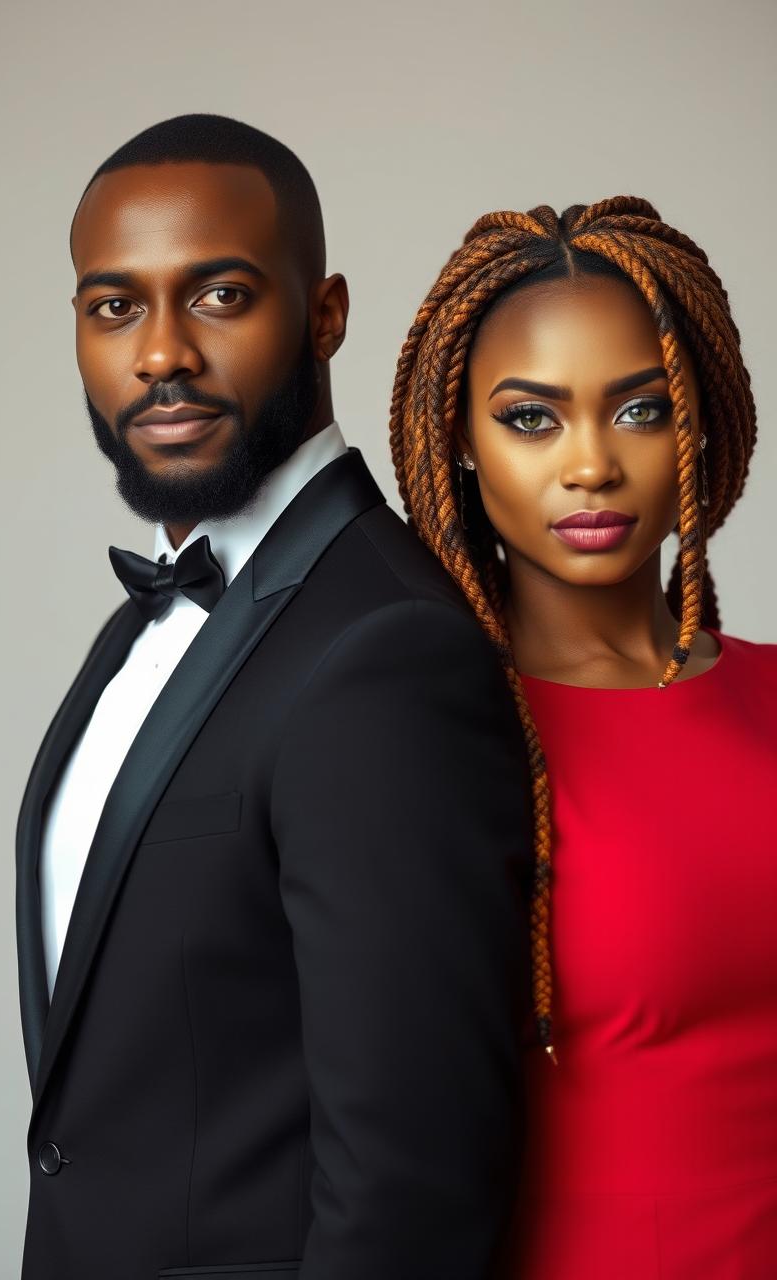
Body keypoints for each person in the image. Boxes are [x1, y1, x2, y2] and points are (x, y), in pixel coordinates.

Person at [14, 114, 533, 1280]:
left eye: (218, 296)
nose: (159, 353)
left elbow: (410, 1190)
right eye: (114, 306)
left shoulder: (385, 648)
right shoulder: (141, 627)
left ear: (325, 313)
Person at [388, 196, 777, 1278]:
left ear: (698, 421)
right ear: (457, 441)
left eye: (641, 409)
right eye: (530, 417)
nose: (591, 464)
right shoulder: (424, 740)